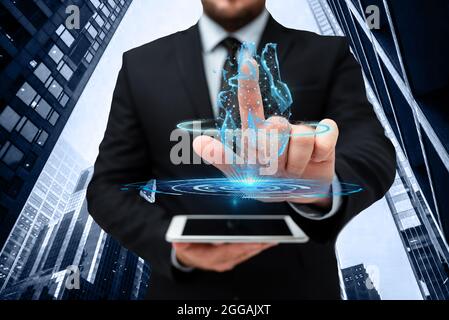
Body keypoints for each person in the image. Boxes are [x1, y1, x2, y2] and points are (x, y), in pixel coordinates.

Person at [86, 0, 396, 299]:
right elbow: (107, 187)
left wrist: (319, 190)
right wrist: (171, 242)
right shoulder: (141, 66)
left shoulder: (328, 54)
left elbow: (373, 152)